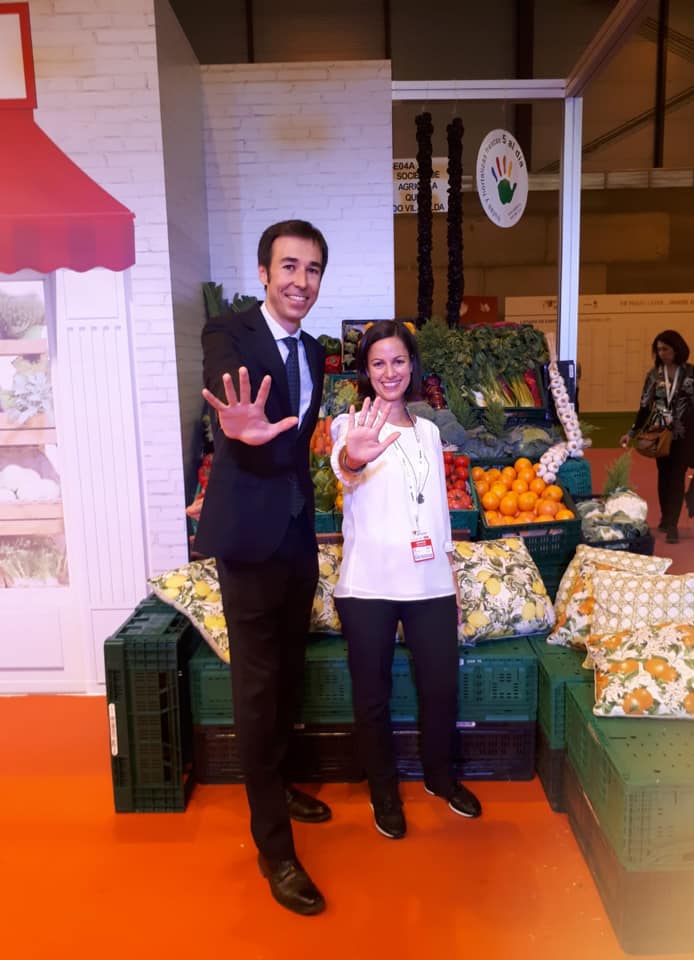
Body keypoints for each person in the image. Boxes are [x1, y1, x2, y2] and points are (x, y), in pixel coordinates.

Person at [194, 220, 330, 916]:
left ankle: (278, 786)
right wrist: (235, 424)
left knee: (288, 675)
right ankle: (274, 848)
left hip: (297, 533)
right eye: (289, 266)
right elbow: (225, 383)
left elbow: (299, 443)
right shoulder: (230, 331)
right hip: (248, 536)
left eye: (313, 269)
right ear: (263, 272)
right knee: (256, 687)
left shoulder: (316, 351)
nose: (301, 281)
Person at [330, 320, 481, 840]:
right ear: (366, 371)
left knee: (440, 688)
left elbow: (436, 508)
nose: (389, 372)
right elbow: (344, 469)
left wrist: (451, 577)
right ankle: (383, 791)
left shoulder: (430, 431)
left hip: (429, 583)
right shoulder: (349, 424)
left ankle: (440, 777)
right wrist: (354, 454)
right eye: (378, 363)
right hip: (368, 584)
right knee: (372, 696)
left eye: (398, 361)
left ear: (411, 365)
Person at [620, 329, 694, 544]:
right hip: (659, 433)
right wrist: (631, 433)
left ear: (677, 348)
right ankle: (666, 518)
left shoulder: (692, 372)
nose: (661, 353)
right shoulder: (653, 375)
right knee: (664, 476)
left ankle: (673, 524)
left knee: (677, 476)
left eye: (665, 349)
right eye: (658, 350)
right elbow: (644, 406)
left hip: (685, 434)